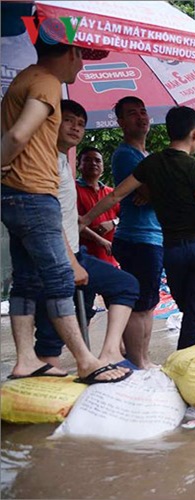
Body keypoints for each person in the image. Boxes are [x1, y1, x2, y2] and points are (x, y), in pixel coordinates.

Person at [1, 36, 129, 383]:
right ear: (71, 54)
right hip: (34, 194)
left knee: (25, 281)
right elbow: (16, 136)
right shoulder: (46, 82)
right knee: (59, 278)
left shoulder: (25, 77)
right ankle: (87, 362)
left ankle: (26, 359)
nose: (82, 66)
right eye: (81, 58)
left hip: (15, 194)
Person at [81, 106, 195, 351]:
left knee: (187, 305)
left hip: (171, 251)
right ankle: (189, 367)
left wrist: (84, 219)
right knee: (193, 315)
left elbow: (116, 196)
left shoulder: (152, 162)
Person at [34, 100, 140, 371]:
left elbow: (118, 211)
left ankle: (109, 353)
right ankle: (49, 372)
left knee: (124, 286)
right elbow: (53, 216)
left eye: (81, 124)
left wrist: (110, 224)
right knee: (56, 315)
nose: (76, 128)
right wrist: (74, 256)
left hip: (84, 257)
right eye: (68, 121)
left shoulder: (71, 170)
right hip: (65, 255)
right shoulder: (46, 162)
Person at [110, 96, 163, 368]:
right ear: (120, 122)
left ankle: (143, 358)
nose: (141, 117)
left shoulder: (148, 157)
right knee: (139, 304)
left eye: (143, 111)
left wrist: (156, 191)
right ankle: (137, 361)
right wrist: (154, 191)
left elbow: (163, 193)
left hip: (152, 237)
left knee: (150, 303)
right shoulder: (124, 155)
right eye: (132, 113)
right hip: (137, 238)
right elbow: (155, 192)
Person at [76, 147, 120, 267]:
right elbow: (71, 222)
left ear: (103, 167)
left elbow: (126, 217)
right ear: (79, 164)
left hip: (111, 260)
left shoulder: (112, 194)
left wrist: (114, 222)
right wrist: (98, 239)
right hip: (83, 259)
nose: (93, 163)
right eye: (88, 160)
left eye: (97, 160)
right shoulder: (72, 190)